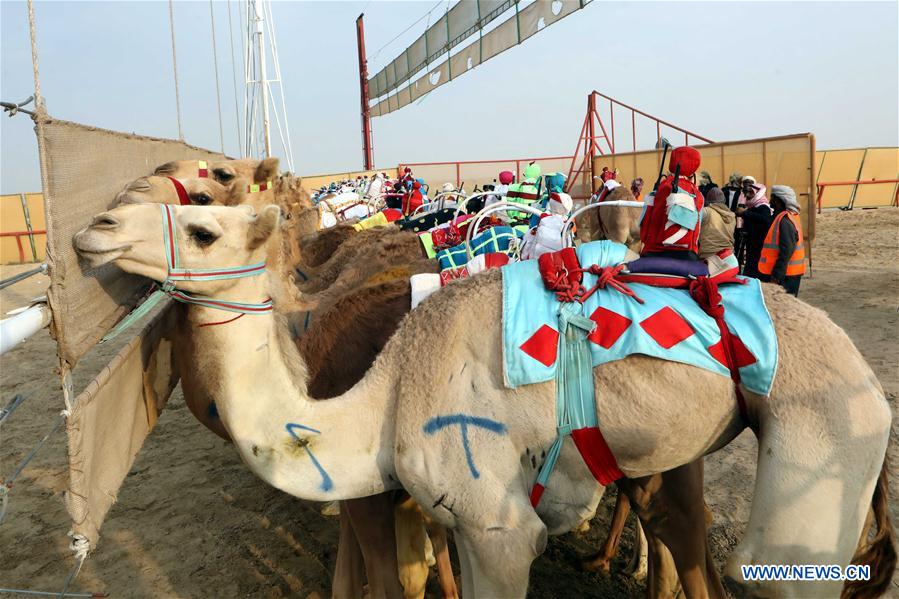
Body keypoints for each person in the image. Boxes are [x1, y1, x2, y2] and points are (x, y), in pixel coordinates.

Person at [639, 146, 704, 260]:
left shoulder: (659, 188)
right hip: (685, 256)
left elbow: (645, 230)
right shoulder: (695, 194)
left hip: (652, 252)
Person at [758, 185, 805, 296]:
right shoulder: (788, 217)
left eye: (773, 199)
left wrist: (776, 277)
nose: (770, 202)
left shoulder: (785, 220)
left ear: (779, 201)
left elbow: (786, 251)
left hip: (785, 277)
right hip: (788, 274)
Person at [736, 178, 773, 278]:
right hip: (752, 243)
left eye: (751, 193)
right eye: (747, 192)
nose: (747, 195)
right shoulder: (753, 206)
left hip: (759, 245)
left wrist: (745, 213)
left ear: (758, 193)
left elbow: (765, 220)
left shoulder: (763, 207)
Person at [698, 188, 735, 259]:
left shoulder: (706, 212)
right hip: (729, 256)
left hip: (709, 256)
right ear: (724, 200)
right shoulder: (732, 215)